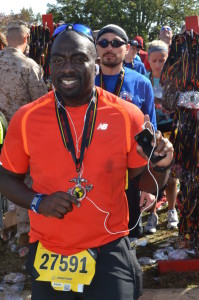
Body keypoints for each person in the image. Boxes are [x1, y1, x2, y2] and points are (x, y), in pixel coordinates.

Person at [0, 23, 174, 300]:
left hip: (108, 245)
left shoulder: (127, 115)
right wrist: (38, 202)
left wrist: (161, 165)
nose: (67, 68)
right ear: (49, 66)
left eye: (78, 59)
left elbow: (148, 184)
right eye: (58, 60)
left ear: (95, 63)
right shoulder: (26, 118)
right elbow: (7, 177)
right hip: (49, 248)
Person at [95, 24, 157, 238]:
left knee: (130, 232)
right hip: (93, 171)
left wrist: (148, 185)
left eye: (115, 43)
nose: (109, 47)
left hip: (130, 171)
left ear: (127, 47)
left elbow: (150, 133)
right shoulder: (85, 82)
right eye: (103, 43)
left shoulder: (141, 82)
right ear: (96, 48)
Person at [0, 21, 48, 244]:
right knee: (24, 181)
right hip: (22, 134)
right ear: (27, 39)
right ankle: (24, 231)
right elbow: (41, 105)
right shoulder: (29, 66)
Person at [144, 40, 178, 233]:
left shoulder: (174, 82)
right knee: (153, 175)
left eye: (162, 61)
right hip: (153, 134)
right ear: (148, 60)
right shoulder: (144, 80)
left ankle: (172, 210)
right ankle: (152, 214)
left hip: (171, 132)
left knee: (171, 175)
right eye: (155, 60)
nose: (158, 65)